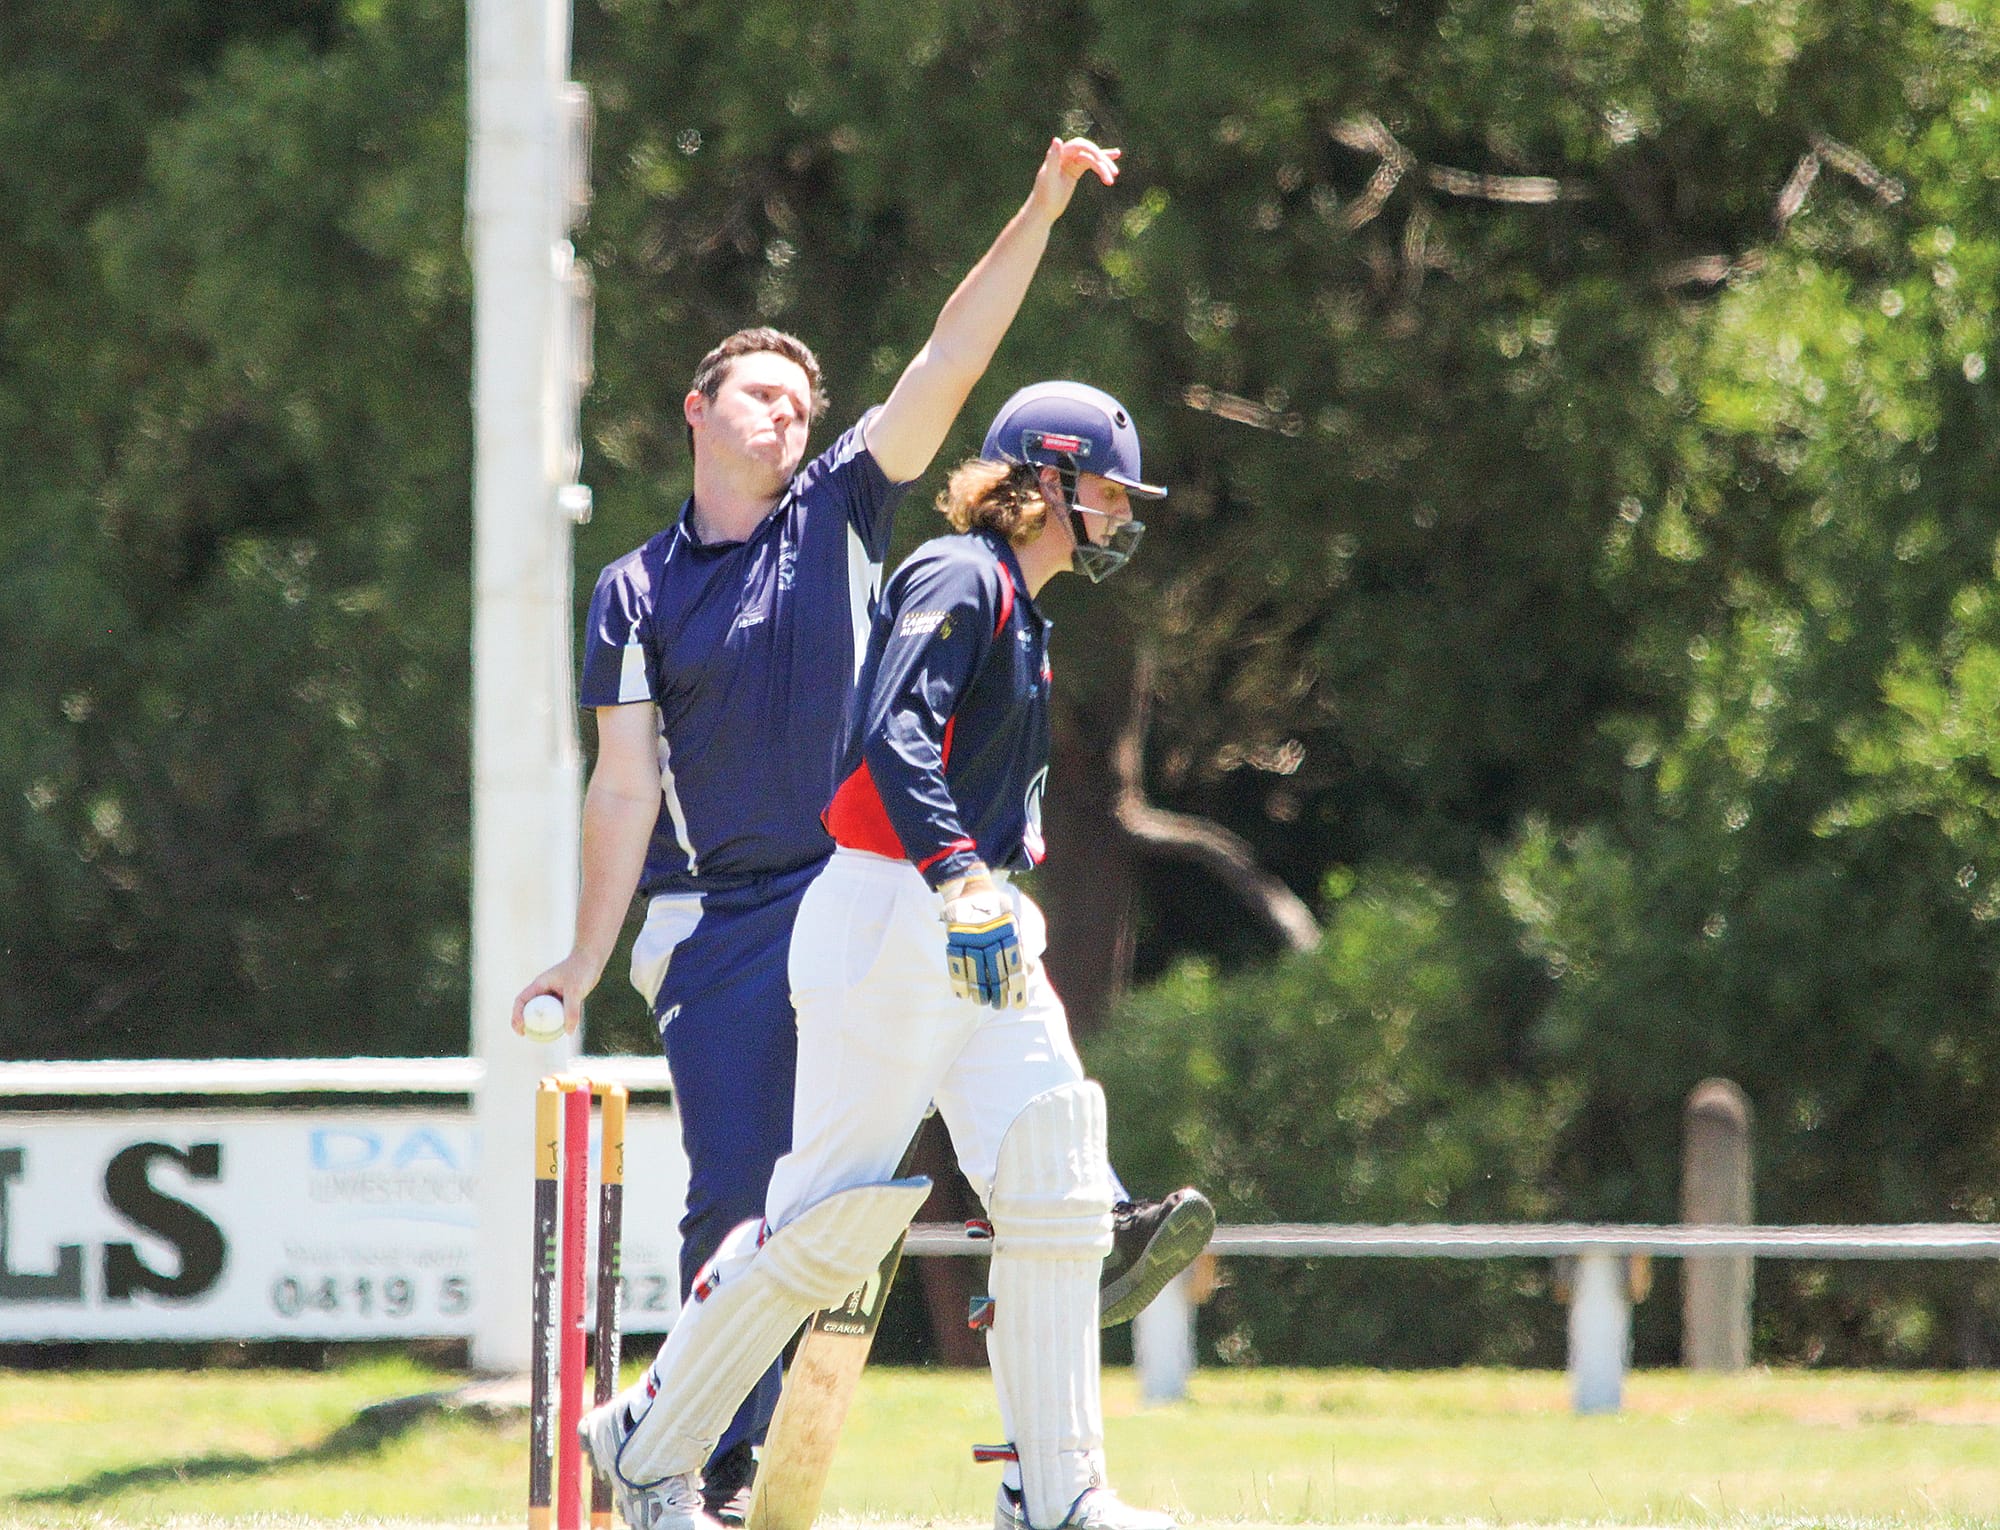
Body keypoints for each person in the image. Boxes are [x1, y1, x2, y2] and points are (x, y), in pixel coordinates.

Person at [513, 140, 1208, 1523]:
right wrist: (585, 959)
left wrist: (1041, 206)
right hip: (748, 911)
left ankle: (1059, 1492)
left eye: (805, 397)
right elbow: (621, 784)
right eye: (764, 391)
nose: (792, 411)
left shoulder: (836, 509)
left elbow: (950, 362)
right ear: (699, 407)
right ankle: (674, 1453)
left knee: (1056, 1164)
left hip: (888, 879)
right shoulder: (638, 589)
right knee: (777, 1214)